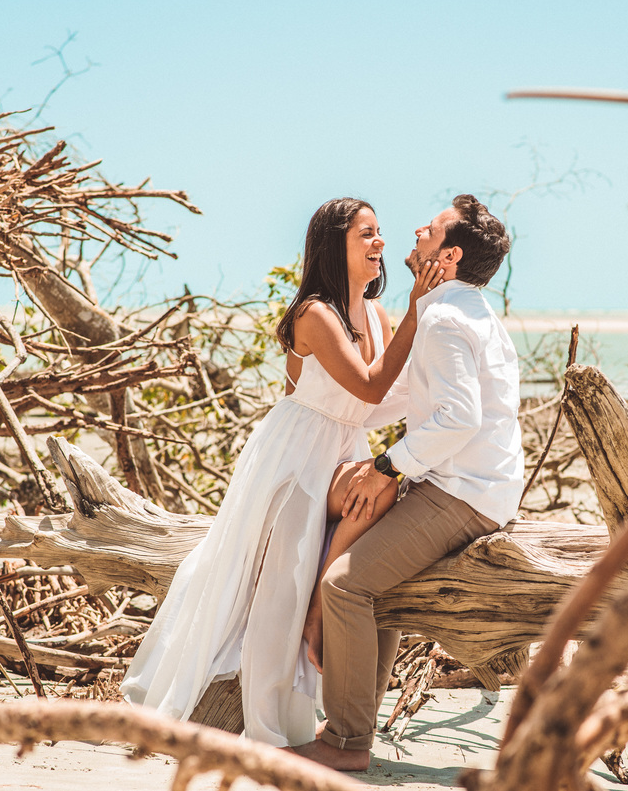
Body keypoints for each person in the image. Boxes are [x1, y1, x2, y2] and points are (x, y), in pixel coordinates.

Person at [119, 197, 443, 747]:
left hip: (342, 448)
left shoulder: (377, 314)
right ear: (334, 245)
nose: (379, 243)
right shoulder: (314, 313)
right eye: (366, 234)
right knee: (279, 590)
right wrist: (419, 305)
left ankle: (324, 610)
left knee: (380, 497)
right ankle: (268, 730)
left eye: (380, 232)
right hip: (294, 453)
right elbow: (366, 385)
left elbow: (375, 401)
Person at [292, 194, 523, 771]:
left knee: (345, 587)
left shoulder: (444, 318)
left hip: (461, 494)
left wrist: (389, 465)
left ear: (450, 253)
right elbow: (410, 399)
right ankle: (352, 720)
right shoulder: (469, 309)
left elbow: (459, 418)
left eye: (433, 227)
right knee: (376, 587)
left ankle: (344, 741)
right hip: (478, 486)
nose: (416, 229)